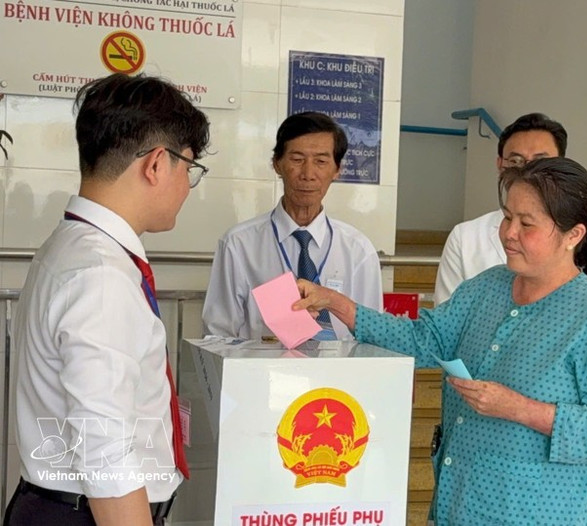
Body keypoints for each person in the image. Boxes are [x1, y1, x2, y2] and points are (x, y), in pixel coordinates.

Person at [294, 157, 587, 525]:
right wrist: (338, 304)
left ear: (574, 235)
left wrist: (519, 408)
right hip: (460, 501)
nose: (509, 233)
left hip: (537, 511)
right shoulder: (487, 287)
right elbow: (426, 338)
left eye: (527, 224)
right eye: (508, 217)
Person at [4, 73, 211, 526]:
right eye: (189, 168)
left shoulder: (75, 246)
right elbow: (106, 451)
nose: (186, 188)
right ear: (157, 164)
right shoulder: (100, 273)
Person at [202, 111, 382, 340]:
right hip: (261, 371)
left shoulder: (358, 250)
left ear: (337, 169)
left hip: (338, 374)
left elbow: (372, 335)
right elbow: (218, 335)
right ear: (277, 164)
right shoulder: (238, 244)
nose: (308, 174)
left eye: (321, 161)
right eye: (297, 160)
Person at [434, 112, 587, 305]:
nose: (528, 171)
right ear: (500, 164)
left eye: (541, 162)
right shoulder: (466, 238)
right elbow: (447, 323)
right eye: (516, 162)